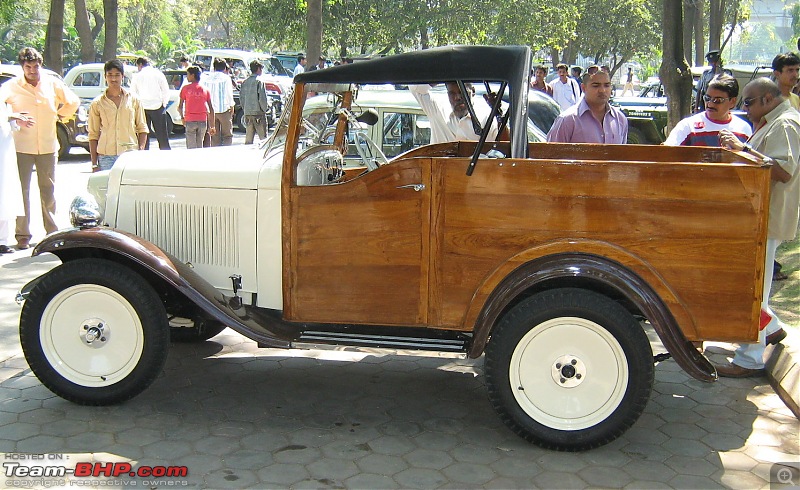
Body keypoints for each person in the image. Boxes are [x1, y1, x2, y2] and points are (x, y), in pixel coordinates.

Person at [715, 78, 800, 377]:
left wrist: (742, 149)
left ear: (766, 98)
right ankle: (771, 328)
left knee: (753, 289)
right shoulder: (773, 121)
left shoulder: (786, 124)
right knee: (751, 286)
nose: (744, 108)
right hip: (757, 216)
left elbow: (783, 171)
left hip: (768, 217)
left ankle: (750, 358)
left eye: (748, 102)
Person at [0, 47, 79, 250]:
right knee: (22, 191)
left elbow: (73, 102)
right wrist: (13, 117)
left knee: (48, 190)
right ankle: (23, 234)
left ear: (40, 65)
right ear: (22, 67)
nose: (32, 71)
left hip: (47, 144)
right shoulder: (12, 86)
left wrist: (59, 115)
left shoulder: (52, 83)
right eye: (28, 67)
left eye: (35, 66)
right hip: (21, 146)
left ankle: (51, 231)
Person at [87, 60, 148, 171]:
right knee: (108, 187)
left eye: (117, 75)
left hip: (130, 155)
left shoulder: (134, 100)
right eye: (110, 75)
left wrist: (140, 152)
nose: (113, 79)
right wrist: (94, 164)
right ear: (105, 76)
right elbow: (93, 134)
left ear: (122, 76)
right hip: (106, 156)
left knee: (129, 188)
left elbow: (142, 128)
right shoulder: (97, 103)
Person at [664, 74, 751, 147]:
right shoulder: (688, 126)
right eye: (707, 98)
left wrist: (740, 148)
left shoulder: (744, 129)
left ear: (732, 101)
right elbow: (668, 152)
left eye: (718, 100)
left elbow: (755, 161)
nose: (710, 104)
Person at [546, 67, 628, 144]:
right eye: (596, 86)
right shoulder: (568, 120)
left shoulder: (620, 119)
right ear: (583, 88)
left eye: (607, 85)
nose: (602, 90)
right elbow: (551, 155)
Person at [409, 82, 498, 144]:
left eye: (462, 92)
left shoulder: (486, 117)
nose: (457, 97)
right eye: (452, 94)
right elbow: (414, 87)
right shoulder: (437, 109)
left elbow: (497, 149)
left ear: (473, 91)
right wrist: (444, 74)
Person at [0, 103, 30, 253]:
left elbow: (12, 126)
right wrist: (10, 116)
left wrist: (17, 120)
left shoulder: (4, 100)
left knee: (4, 195)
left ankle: (2, 241)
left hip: (4, 151)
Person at [130, 57, 171, 150]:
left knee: (144, 134)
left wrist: (136, 107)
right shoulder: (158, 74)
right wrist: (164, 104)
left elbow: (133, 93)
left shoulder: (137, 76)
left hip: (142, 107)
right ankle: (166, 155)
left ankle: (144, 154)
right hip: (157, 106)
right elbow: (165, 90)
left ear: (140, 65)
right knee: (162, 135)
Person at [178, 66, 216, 149]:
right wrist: (212, 125)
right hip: (202, 120)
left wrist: (182, 118)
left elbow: (180, 106)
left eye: (188, 74)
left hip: (190, 120)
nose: (187, 76)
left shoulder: (185, 89)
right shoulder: (205, 89)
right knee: (199, 145)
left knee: (191, 146)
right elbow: (211, 108)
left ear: (192, 75)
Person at [200, 58, 235, 146]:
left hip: (211, 111)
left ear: (214, 67)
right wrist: (232, 106)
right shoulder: (226, 78)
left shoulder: (207, 79)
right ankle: (226, 152)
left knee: (214, 136)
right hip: (223, 110)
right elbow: (229, 94)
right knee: (227, 135)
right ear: (224, 68)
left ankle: (216, 153)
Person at [239, 60, 271, 144]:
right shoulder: (259, 81)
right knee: (263, 139)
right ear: (258, 69)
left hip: (247, 113)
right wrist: (265, 109)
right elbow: (262, 98)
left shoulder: (245, 82)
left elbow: (241, 98)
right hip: (258, 113)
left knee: (248, 138)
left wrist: (245, 109)